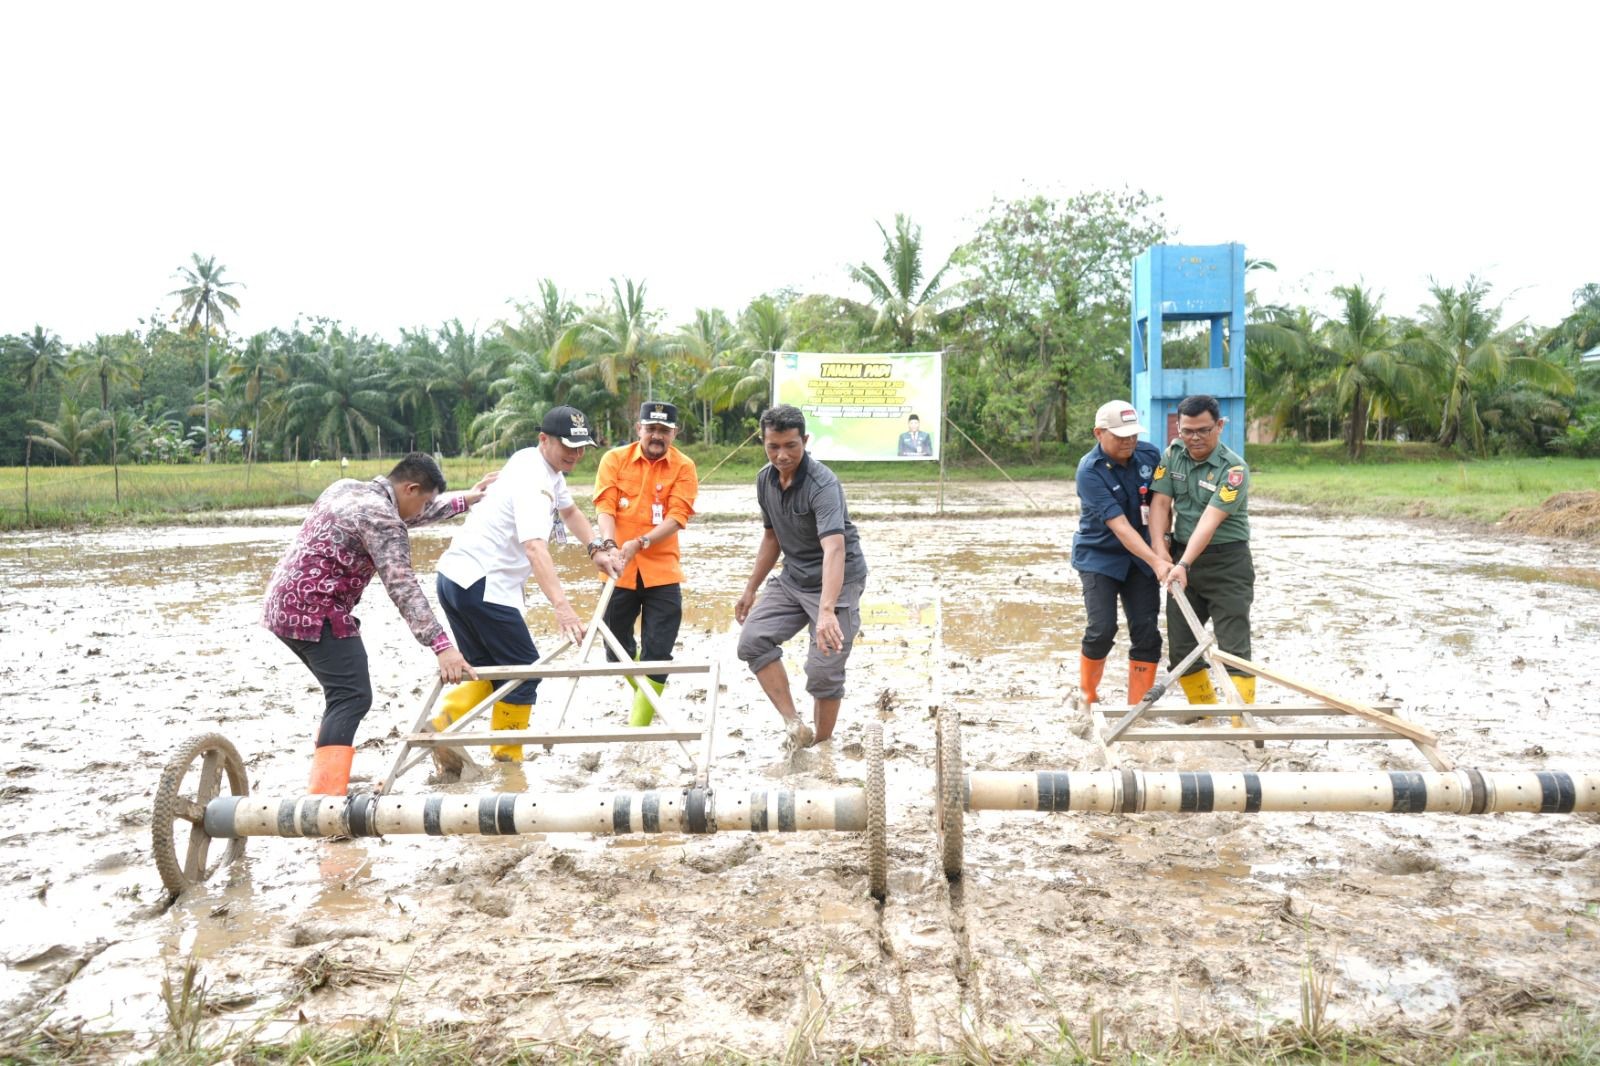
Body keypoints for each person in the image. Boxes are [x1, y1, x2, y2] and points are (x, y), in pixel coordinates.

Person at [262, 452, 495, 795]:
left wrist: (465, 500)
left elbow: (408, 514)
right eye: (424, 501)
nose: (422, 511)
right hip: (317, 612)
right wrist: (442, 646)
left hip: (281, 605)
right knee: (352, 697)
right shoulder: (384, 520)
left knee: (341, 695)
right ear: (411, 488)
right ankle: (325, 798)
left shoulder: (345, 489)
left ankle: (324, 783)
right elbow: (402, 586)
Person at [433, 406, 622, 762]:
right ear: (544, 439)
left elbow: (570, 512)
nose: (576, 454)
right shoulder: (536, 485)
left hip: (454, 577)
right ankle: (506, 762)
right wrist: (563, 609)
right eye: (568, 446)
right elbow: (535, 549)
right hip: (483, 584)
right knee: (524, 672)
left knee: (489, 670)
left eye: (582, 447)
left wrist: (595, 547)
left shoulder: (533, 462)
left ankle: (440, 724)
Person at [735, 404, 869, 748]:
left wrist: (826, 611)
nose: (781, 455)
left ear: (805, 440)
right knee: (752, 640)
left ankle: (822, 747)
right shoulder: (764, 480)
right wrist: (750, 589)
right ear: (763, 443)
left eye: (790, 446)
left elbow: (835, 549)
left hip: (837, 579)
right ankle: (795, 726)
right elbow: (772, 536)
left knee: (824, 669)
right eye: (773, 446)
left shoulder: (822, 484)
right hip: (794, 577)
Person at [592, 401, 700, 725]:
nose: (656, 436)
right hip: (617, 569)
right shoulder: (614, 460)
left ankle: (637, 728)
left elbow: (677, 517)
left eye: (664, 431)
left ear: (674, 433)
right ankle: (649, 696)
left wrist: (641, 543)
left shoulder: (684, 466)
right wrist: (611, 546)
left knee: (658, 653)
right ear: (638, 428)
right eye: (650, 429)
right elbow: (605, 507)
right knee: (615, 650)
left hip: (662, 572)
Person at [1148, 394, 1256, 706]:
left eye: (1203, 430)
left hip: (1227, 563)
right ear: (1178, 429)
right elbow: (1160, 504)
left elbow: (1209, 521)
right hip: (1182, 560)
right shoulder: (1173, 455)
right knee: (1182, 647)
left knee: (1234, 647)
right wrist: (1160, 552)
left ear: (1219, 426)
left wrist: (1182, 562)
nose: (1194, 438)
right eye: (1187, 431)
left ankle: (1240, 722)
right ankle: (1205, 715)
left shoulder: (1234, 469)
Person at [1072, 400, 1170, 706]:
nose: (1129, 441)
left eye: (1133, 435)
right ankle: (1088, 696)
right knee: (1102, 629)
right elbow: (1121, 527)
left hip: (1142, 558)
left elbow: (1161, 504)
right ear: (1099, 433)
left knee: (1147, 632)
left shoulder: (1150, 455)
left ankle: (1137, 708)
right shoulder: (1090, 472)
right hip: (1100, 556)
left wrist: (1162, 547)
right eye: (1120, 435)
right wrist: (1156, 560)